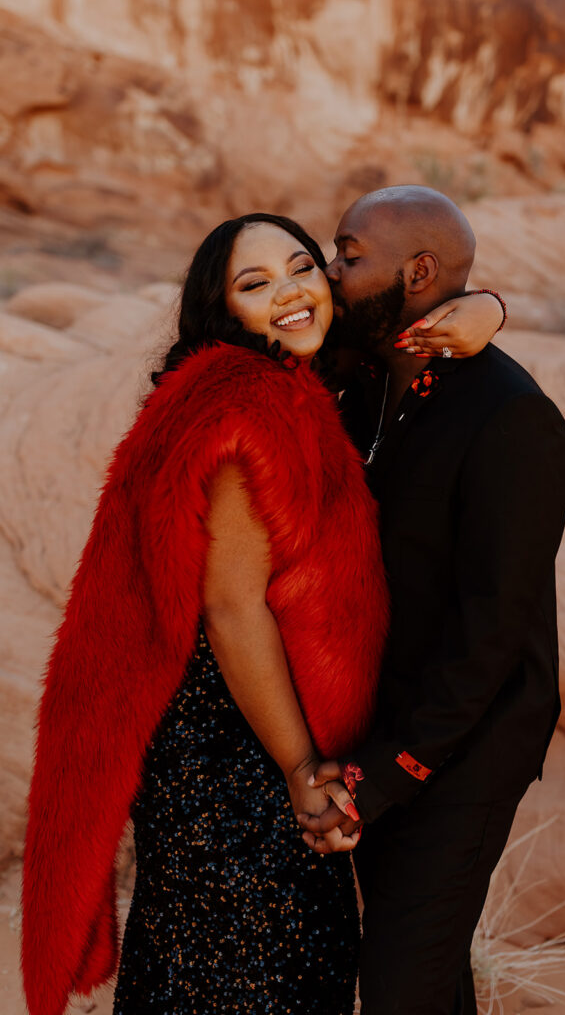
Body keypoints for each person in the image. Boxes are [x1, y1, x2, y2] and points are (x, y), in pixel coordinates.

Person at [20, 210, 504, 1015]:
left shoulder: (286, 380)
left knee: (205, 967)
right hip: (234, 753)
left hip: (221, 739)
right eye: (255, 284)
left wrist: (485, 305)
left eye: (302, 267)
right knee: (264, 970)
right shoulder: (252, 406)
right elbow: (232, 607)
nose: (288, 292)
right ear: (225, 312)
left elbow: (419, 307)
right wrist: (296, 772)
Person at [298, 186, 565, 1015]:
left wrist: (384, 777)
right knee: (421, 975)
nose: (328, 271)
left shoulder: (511, 418)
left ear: (417, 271)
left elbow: (491, 634)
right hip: (373, 723)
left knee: (397, 989)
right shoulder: (356, 385)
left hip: (464, 748)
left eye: (348, 255)